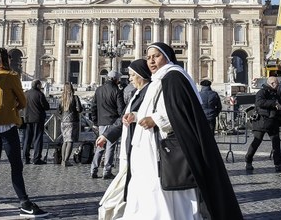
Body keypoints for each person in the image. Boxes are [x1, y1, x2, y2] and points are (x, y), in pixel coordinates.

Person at [122, 42, 242, 219]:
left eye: (156, 56)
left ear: (167, 57)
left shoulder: (173, 77)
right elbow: (161, 107)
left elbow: (179, 110)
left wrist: (155, 119)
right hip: (150, 145)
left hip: (162, 146)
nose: (151, 61)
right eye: (148, 57)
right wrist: (136, 115)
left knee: (165, 187)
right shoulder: (160, 79)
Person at [0, 48, 47, 218]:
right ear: (4, 59)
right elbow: (23, 102)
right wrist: (12, 106)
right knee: (16, 166)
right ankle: (24, 203)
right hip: (7, 126)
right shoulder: (11, 76)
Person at [97, 59, 151, 219]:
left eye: (132, 75)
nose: (129, 79)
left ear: (141, 76)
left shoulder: (149, 93)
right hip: (132, 148)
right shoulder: (137, 93)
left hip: (142, 149)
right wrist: (107, 135)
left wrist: (136, 116)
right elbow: (124, 118)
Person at [245, 76, 281, 172]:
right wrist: (273, 103)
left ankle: (278, 164)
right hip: (261, 121)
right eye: (277, 84)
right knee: (257, 142)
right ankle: (248, 160)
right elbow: (260, 103)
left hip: (272, 121)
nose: (278, 86)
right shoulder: (262, 92)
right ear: (272, 83)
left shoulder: (275, 93)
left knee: (276, 143)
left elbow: (277, 106)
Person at [91, 71, 125, 179]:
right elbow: (121, 110)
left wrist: (95, 121)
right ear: (115, 79)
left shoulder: (98, 90)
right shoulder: (117, 91)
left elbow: (93, 107)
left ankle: (93, 169)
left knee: (100, 146)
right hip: (113, 122)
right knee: (110, 146)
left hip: (101, 122)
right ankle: (107, 170)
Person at [23, 80, 50, 165]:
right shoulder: (39, 94)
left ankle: (25, 158)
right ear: (38, 85)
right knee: (37, 139)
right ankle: (36, 158)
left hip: (27, 119)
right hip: (38, 119)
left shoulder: (26, 94)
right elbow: (46, 106)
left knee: (27, 139)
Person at [58, 82, 83, 167]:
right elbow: (79, 109)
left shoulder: (61, 98)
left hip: (63, 121)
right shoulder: (75, 97)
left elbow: (59, 111)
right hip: (72, 121)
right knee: (70, 141)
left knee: (65, 141)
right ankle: (66, 160)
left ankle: (63, 160)